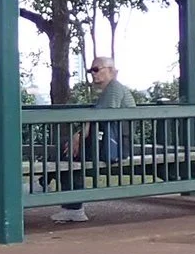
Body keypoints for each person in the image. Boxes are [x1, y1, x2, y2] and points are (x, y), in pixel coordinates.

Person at [53, 56, 137, 224]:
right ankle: (69, 204)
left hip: (114, 147)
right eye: (91, 70)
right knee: (68, 150)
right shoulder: (109, 90)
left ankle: (71, 206)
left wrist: (79, 136)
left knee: (67, 151)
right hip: (112, 144)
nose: (93, 73)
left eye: (97, 69)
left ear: (111, 70)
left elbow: (102, 117)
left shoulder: (114, 88)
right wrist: (79, 136)